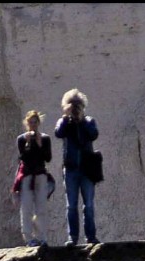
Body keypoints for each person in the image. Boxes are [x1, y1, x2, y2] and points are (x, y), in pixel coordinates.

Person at [54, 88, 100, 245]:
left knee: (89, 205)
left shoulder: (89, 121)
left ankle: (91, 237)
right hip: (71, 169)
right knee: (71, 206)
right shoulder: (64, 122)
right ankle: (72, 238)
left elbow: (94, 134)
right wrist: (67, 119)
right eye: (72, 106)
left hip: (87, 169)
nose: (75, 109)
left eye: (78, 106)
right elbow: (58, 133)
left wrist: (82, 121)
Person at [12, 110, 54, 246]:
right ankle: (29, 238)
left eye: (35, 122)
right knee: (26, 207)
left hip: (40, 175)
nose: (33, 125)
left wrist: (40, 144)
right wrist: (28, 143)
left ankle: (42, 237)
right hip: (27, 177)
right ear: (26, 123)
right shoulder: (21, 139)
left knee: (41, 208)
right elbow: (23, 157)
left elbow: (48, 158)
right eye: (30, 122)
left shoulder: (45, 138)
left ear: (38, 123)